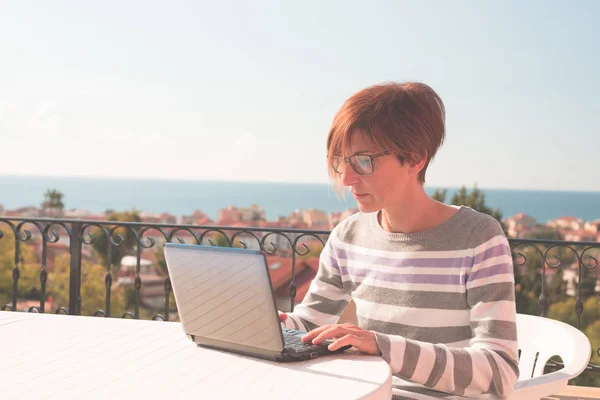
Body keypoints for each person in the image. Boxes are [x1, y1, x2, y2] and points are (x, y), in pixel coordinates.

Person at [279, 82, 519, 399]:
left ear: (415, 158)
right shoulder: (347, 236)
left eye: (364, 161)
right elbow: (310, 324)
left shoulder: (477, 237)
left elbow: (498, 371)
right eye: (342, 160)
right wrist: (273, 324)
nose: (347, 178)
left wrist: (382, 346)